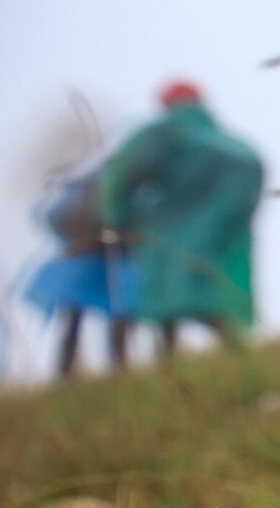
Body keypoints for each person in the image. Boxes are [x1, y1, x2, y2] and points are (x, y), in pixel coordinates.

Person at [99, 82, 264, 354]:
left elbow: (121, 175)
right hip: (225, 236)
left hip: (168, 234)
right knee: (217, 299)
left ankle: (169, 362)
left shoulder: (163, 135)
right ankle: (239, 353)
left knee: (167, 301)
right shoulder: (234, 145)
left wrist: (113, 217)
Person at [26, 163, 137, 378]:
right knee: (117, 314)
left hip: (84, 264)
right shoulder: (111, 192)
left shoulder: (79, 193)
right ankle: (119, 368)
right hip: (101, 262)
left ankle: (66, 373)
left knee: (75, 320)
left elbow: (51, 218)